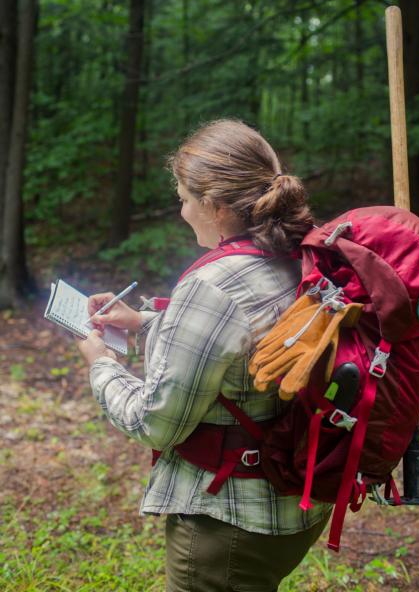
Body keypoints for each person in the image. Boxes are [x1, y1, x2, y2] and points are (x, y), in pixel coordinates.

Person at [77, 119, 332, 592]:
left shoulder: (212, 287)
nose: (181, 210)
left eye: (183, 198)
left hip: (228, 521)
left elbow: (156, 422)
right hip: (294, 502)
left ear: (214, 206)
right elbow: (253, 350)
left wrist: (102, 364)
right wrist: (143, 321)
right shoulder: (296, 256)